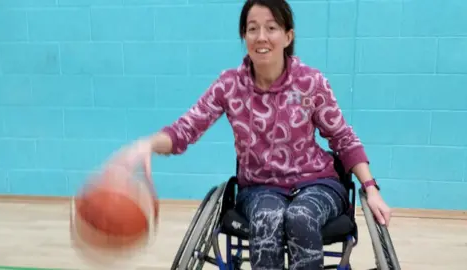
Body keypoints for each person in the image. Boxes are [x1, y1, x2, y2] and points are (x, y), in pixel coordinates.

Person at [102, 0, 392, 269]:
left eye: (271, 28)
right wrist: (146, 145)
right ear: (244, 36)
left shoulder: (311, 82)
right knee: (268, 219)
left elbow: (343, 138)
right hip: (260, 188)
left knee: (300, 218)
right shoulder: (229, 86)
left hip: (317, 183)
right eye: (252, 29)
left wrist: (371, 188)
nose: (261, 37)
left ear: (288, 36)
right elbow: (184, 131)